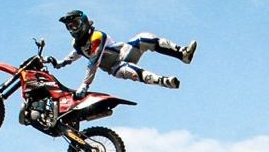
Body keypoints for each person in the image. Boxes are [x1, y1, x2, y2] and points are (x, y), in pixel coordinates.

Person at [51, 10, 196, 95]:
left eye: (75, 25)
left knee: (145, 37)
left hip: (123, 53)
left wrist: (84, 85)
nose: (73, 29)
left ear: (83, 22)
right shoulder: (76, 44)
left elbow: (93, 62)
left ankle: (183, 54)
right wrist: (60, 63)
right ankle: (164, 81)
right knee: (130, 70)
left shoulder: (97, 36)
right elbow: (76, 54)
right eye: (69, 27)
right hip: (115, 67)